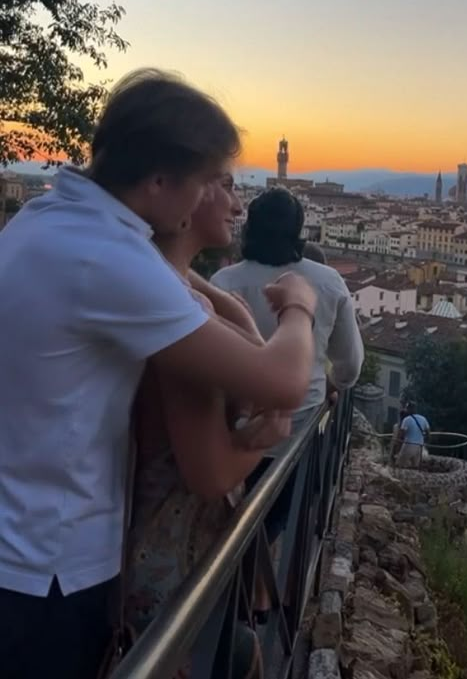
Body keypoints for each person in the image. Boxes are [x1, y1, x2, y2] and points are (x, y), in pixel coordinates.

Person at [0, 70, 317, 679]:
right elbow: (282, 382)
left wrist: (224, 303)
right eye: (204, 182)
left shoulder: (52, 220)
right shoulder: (105, 255)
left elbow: (179, 285)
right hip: (49, 569)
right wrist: (299, 302)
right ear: (158, 181)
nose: (206, 198)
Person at [126, 169, 292, 677]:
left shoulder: (173, 293)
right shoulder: (176, 312)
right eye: (224, 183)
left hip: (175, 554)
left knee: (241, 653)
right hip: (163, 566)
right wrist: (301, 312)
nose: (238, 205)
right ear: (175, 190)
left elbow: (243, 327)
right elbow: (213, 474)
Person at [212, 188, 364, 432]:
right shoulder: (329, 281)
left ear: (249, 228)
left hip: (237, 429)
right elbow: (351, 365)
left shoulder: (223, 283)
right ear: (298, 229)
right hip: (304, 427)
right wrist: (330, 385)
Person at [396, 402, 431, 468]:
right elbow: (428, 434)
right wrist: (425, 444)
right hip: (419, 446)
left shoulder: (406, 420)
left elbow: (401, 436)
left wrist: (397, 449)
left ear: (409, 409)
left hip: (409, 444)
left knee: (400, 464)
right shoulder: (423, 419)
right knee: (415, 466)